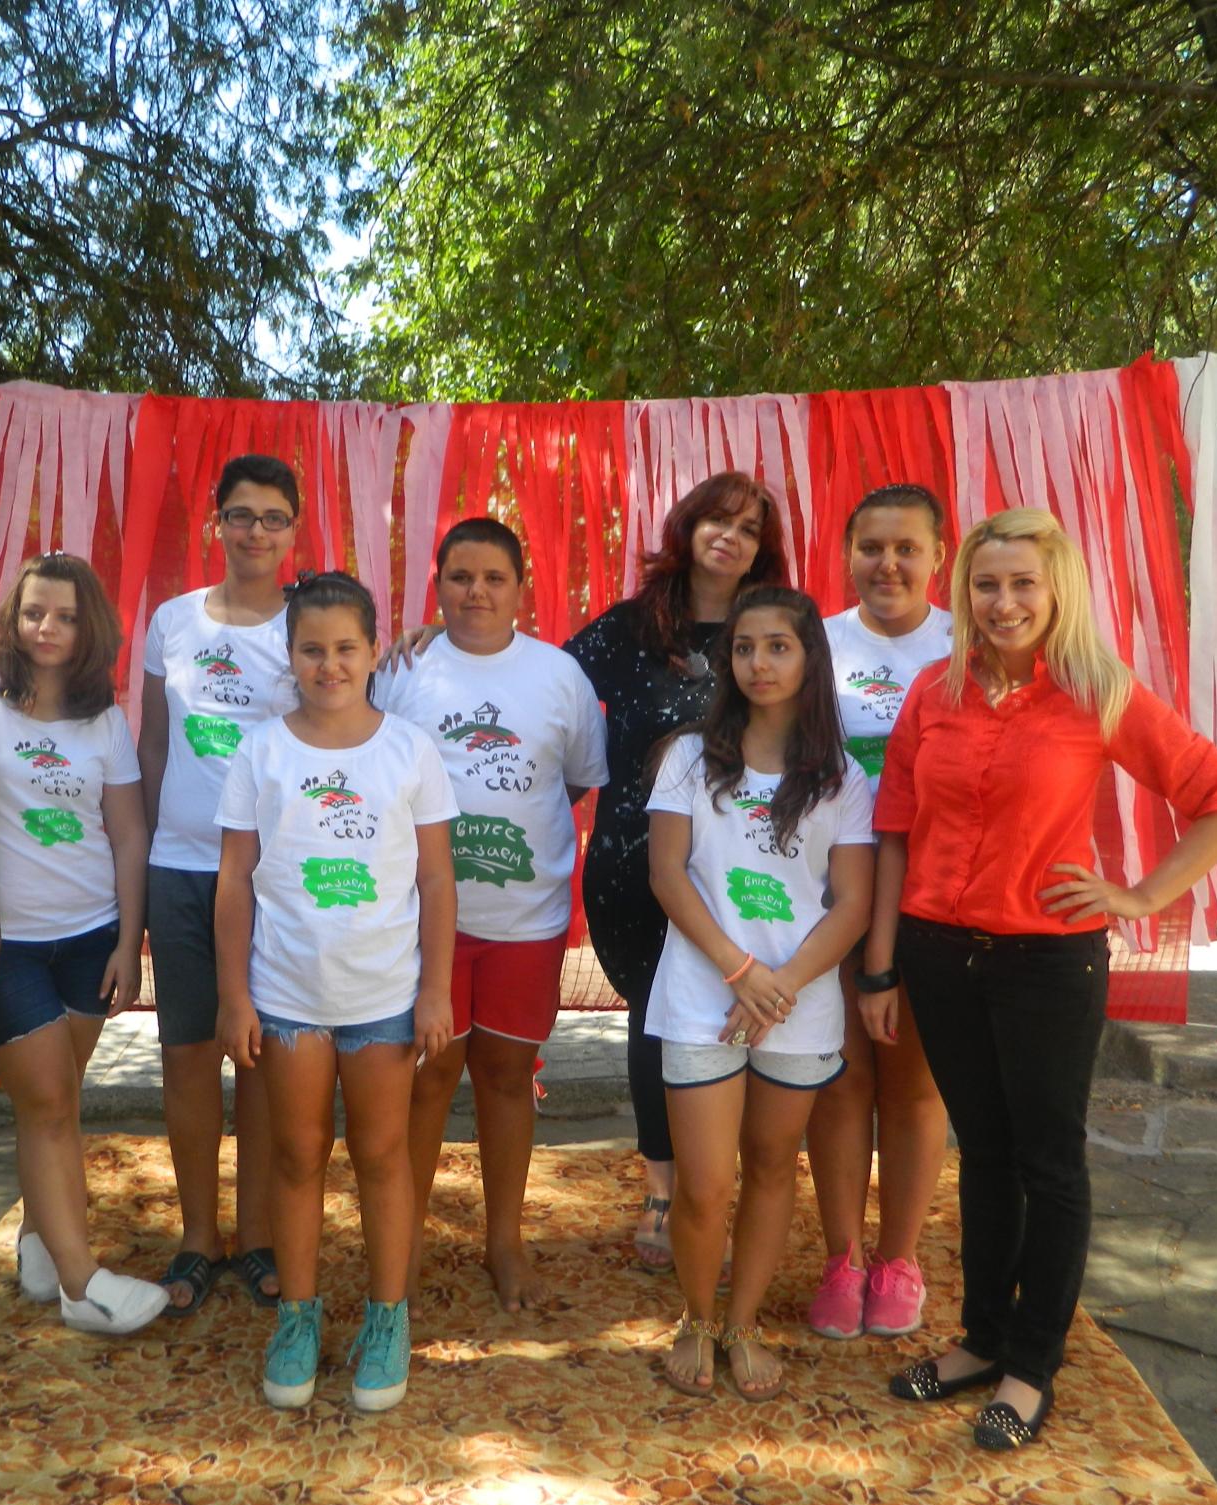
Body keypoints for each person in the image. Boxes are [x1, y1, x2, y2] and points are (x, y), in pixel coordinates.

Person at [869, 506, 1217, 1450]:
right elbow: (894, 831)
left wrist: (1141, 894)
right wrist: (880, 963)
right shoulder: (933, 690)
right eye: (986, 584)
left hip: (1046, 960)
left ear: (1057, 592)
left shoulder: (1098, 693)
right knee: (983, 1152)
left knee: (1048, 1161)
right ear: (964, 590)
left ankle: (1031, 1364)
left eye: (1022, 584)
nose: (1003, 602)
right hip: (937, 952)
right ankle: (981, 1340)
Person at [214, 571, 457, 1412]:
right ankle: (298, 1317)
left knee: (383, 1156)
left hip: (385, 999)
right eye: (312, 650)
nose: (330, 665)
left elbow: (436, 877)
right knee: (296, 1155)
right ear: (289, 655)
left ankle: (387, 1320)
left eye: (346, 648)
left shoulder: (409, 750)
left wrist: (435, 991)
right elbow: (234, 880)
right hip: (287, 998)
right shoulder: (261, 752)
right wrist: (235, 997)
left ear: (373, 649)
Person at [647, 587, 873, 1398]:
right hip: (702, 998)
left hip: (798, 1008)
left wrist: (780, 987)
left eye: (779, 646)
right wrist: (742, 973)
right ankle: (697, 1318)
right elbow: (667, 875)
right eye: (744, 647)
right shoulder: (687, 758)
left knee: (774, 1167)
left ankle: (741, 1326)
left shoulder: (842, 778)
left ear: (810, 658)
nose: (759, 663)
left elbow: (853, 903)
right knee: (706, 1185)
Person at [379, 518, 608, 1311]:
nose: (476, 591)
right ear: (437, 584)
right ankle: (402, 1245)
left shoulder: (558, 675)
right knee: (428, 1077)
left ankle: (504, 1242)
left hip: (526, 919)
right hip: (423, 920)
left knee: (507, 1078)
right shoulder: (401, 670)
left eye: (493, 578)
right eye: (460, 576)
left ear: (520, 587)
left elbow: (575, 779)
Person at [563, 472, 789, 1268]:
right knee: (655, 1021)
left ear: (763, 550)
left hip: (745, 869)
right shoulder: (632, 627)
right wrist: (435, 644)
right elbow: (538, 685)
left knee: (735, 1020)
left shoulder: (772, 629)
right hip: (635, 864)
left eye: (749, 528)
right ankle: (665, 1189)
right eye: (717, 520)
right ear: (688, 528)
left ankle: (719, 1188)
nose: (730, 537)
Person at [0, 552, 169, 1335]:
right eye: (33, 613)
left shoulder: (105, 723)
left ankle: (36, 1234)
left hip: (92, 939)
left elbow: (128, 835)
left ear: (90, 628)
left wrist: (130, 941)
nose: (46, 628)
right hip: (7, 949)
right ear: (13, 621)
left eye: (64, 616)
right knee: (50, 1103)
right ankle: (82, 1285)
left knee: (52, 1103)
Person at [139, 454, 300, 1316]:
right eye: (241, 514)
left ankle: (260, 1233)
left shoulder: (308, 624)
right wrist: (148, 858)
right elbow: (152, 745)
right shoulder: (172, 621)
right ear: (217, 524)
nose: (255, 531)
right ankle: (200, 1237)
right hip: (180, 867)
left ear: (293, 531)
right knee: (189, 1057)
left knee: (264, 1061)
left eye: (273, 517)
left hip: (274, 879)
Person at [804, 484, 956, 1341]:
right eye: (871, 547)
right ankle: (842, 1258)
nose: (888, 564)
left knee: (912, 1083)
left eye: (906, 548)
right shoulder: (815, 644)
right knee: (840, 1080)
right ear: (848, 554)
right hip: (830, 900)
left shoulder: (969, 644)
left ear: (939, 555)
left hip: (934, 901)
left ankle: (898, 1259)